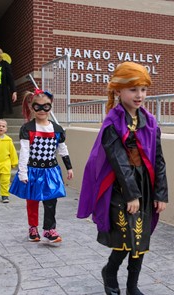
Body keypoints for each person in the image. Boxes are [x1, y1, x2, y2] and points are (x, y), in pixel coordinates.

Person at [77, 62, 168, 295]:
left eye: (143, 89)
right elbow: (118, 161)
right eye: (133, 89)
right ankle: (110, 272)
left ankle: (132, 286)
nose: (139, 95)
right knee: (125, 237)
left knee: (142, 237)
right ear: (118, 91)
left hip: (145, 187)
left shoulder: (150, 122)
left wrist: (160, 194)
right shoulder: (112, 123)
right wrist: (132, 194)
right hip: (120, 188)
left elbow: (158, 159)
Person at [10, 89, 74, 243]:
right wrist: (23, 172)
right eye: (37, 106)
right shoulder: (28, 128)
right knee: (32, 200)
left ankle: (49, 229)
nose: (42, 110)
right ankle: (33, 227)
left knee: (51, 200)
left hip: (51, 171)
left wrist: (69, 167)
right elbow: (24, 152)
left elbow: (62, 149)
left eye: (46, 106)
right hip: (33, 170)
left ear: (50, 107)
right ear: (32, 108)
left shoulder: (57, 129)